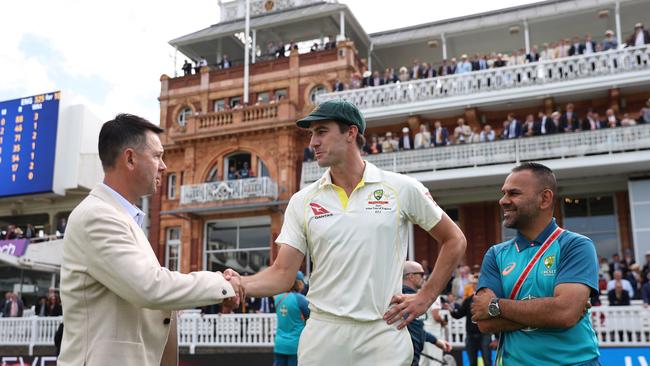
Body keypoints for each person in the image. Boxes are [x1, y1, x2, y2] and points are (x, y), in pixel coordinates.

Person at [239, 99, 466, 365]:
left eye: (321, 131)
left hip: (383, 332)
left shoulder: (401, 187)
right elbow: (281, 274)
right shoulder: (303, 200)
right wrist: (236, 285)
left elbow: (455, 239)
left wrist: (426, 296)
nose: (313, 142)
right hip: (324, 332)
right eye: (312, 133)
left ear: (351, 133)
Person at [58, 114, 243, 366]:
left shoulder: (120, 217)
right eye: (157, 156)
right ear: (130, 159)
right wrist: (220, 283)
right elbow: (150, 288)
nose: (164, 166)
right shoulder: (97, 216)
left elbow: (146, 300)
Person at [471, 162, 600, 365]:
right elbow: (484, 322)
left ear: (544, 199)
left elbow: (565, 313)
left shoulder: (575, 245)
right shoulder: (496, 254)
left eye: (513, 193)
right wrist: (552, 310)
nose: (503, 201)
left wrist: (495, 305)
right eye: (503, 193)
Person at [403, 261, 452, 366]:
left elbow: (416, 329)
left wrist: (436, 341)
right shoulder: (407, 297)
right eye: (421, 274)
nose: (424, 277)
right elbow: (435, 315)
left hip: (414, 352)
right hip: (407, 356)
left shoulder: (412, 296)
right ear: (410, 276)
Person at [449, 274, 492, 366]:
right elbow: (459, 314)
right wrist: (451, 309)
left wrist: (496, 337)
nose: (474, 285)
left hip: (484, 334)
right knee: (472, 363)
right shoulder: (468, 300)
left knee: (487, 362)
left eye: (477, 283)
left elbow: (494, 316)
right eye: (473, 283)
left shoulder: (489, 299)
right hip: (471, 335)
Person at [273, 271, 310, 366]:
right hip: (295, 344)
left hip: (279, 343)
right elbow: (310, 315)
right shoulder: (301, 299)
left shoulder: (277, 298)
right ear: (299, 283)